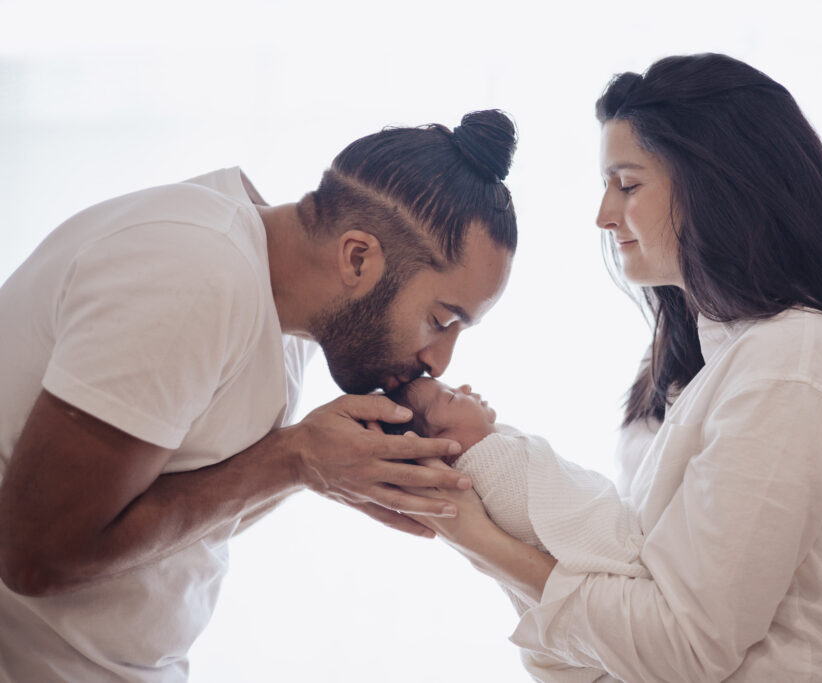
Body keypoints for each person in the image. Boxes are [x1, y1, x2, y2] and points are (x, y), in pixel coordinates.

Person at [406, 54, 822, 682]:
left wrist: (476, 537)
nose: (603, 215)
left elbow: (682, 648)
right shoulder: (702, 374)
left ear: (720, 184)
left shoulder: (796, 367)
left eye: (627, 184)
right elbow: (615, 642)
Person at [0, 109, 518, 681]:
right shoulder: (195, 274)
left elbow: (168, 513)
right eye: (441, 319)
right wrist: (292, 460)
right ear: (358, 258)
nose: (441, 362)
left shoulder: (284, 312)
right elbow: (36, 556)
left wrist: (322, 471)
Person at [389, 377, 650, 681]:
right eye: (450, 398)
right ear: (441, 448)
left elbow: (573, 498)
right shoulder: (491, 470)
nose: (465, 389)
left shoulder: (499, 448)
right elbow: (534, 525)